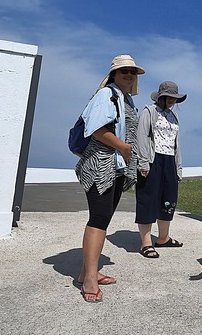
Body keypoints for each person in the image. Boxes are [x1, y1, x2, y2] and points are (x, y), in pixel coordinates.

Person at [75, 54, 144, 303]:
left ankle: (86, 272)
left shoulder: (126, 100)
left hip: (115, 167)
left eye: (132, 72)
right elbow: (96, 128)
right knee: (99, 218)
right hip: (101, 165)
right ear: (114, 74)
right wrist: (124, 148)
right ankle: (90, 280)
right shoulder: (107, 95)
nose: (128, 75)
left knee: (104, 218)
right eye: (123, 71)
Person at [135, 81, 186, 259]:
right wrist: (143, 163)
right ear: (161, 96)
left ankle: (163, 238)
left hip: (170, 161)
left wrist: (178, 168)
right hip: (153, 159)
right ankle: (146, 242)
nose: (172, 100)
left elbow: (176, 144)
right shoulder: (149, 112)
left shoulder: (173, 117)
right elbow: (141, 136)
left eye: (175, 97)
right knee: (148, 199)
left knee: (169, 199)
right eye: (169, 97)